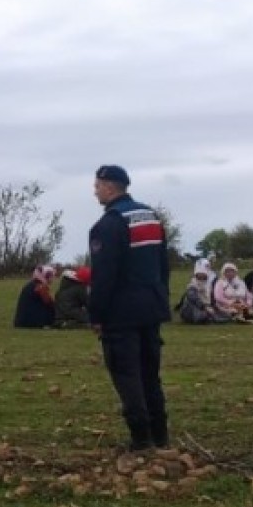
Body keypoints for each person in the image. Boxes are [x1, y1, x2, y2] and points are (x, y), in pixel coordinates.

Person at [88, 165, 172, 452]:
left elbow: (104, 276)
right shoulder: (150, 217)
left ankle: (141, 439)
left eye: (97, 185)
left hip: (121, 313)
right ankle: (161, 435)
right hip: (151, 308)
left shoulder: (108, 225)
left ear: (110, 187)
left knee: (127, 374)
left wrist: (97, 315)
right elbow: (163, 266)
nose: (94, 190)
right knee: (150, 373)